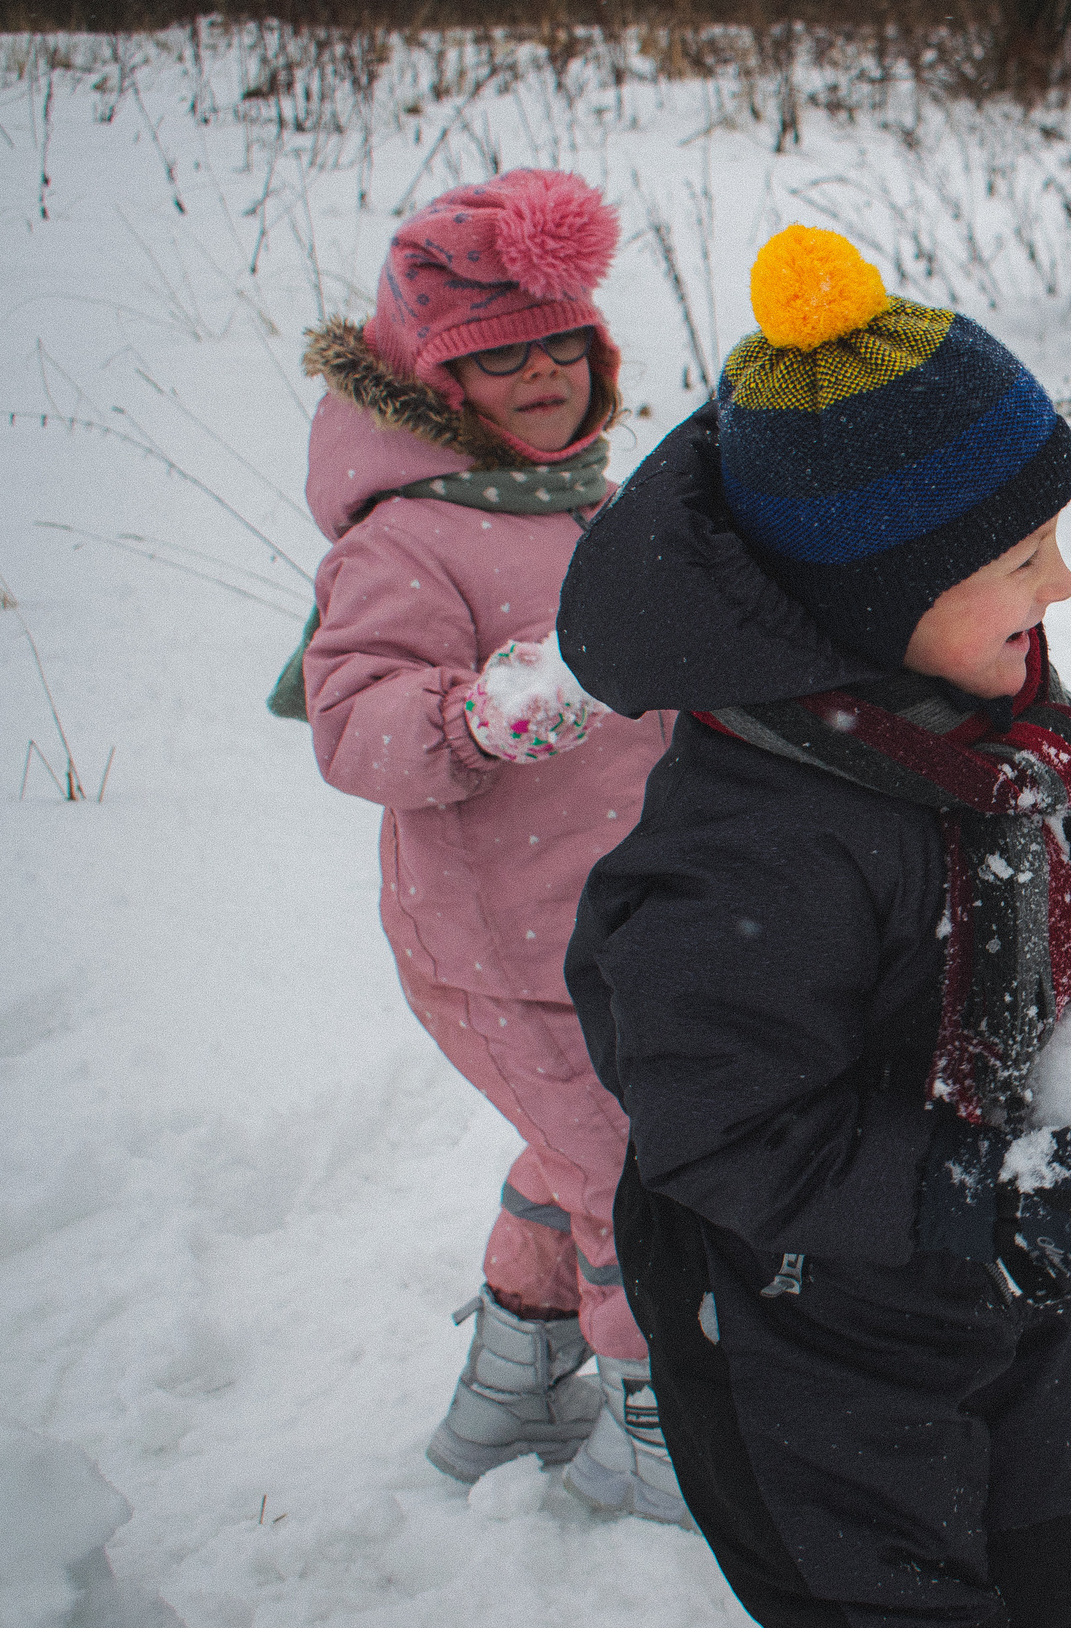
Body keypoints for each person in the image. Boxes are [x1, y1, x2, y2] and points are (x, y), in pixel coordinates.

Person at [555, 227, 1071, 1628]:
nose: (1068, 579)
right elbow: (723, 1128)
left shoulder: (957, 722)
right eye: (1021, 559)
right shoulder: (754, 846)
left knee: (1057, 1561)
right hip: (799, 1345)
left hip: (973, 1297)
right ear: (876, 603)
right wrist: (981, 1182)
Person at [296, 168, 686, 1525]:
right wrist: (486, 712)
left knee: (577, 1147)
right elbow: (351, 727)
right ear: (434, 382)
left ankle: (513, 1391)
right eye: (496, 356)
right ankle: (659, 1444)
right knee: (635, 1183)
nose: (541, 377)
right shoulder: (406, 540)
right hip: (503, 951)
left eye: (561, 343)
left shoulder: (581, 494)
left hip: (617, 926)